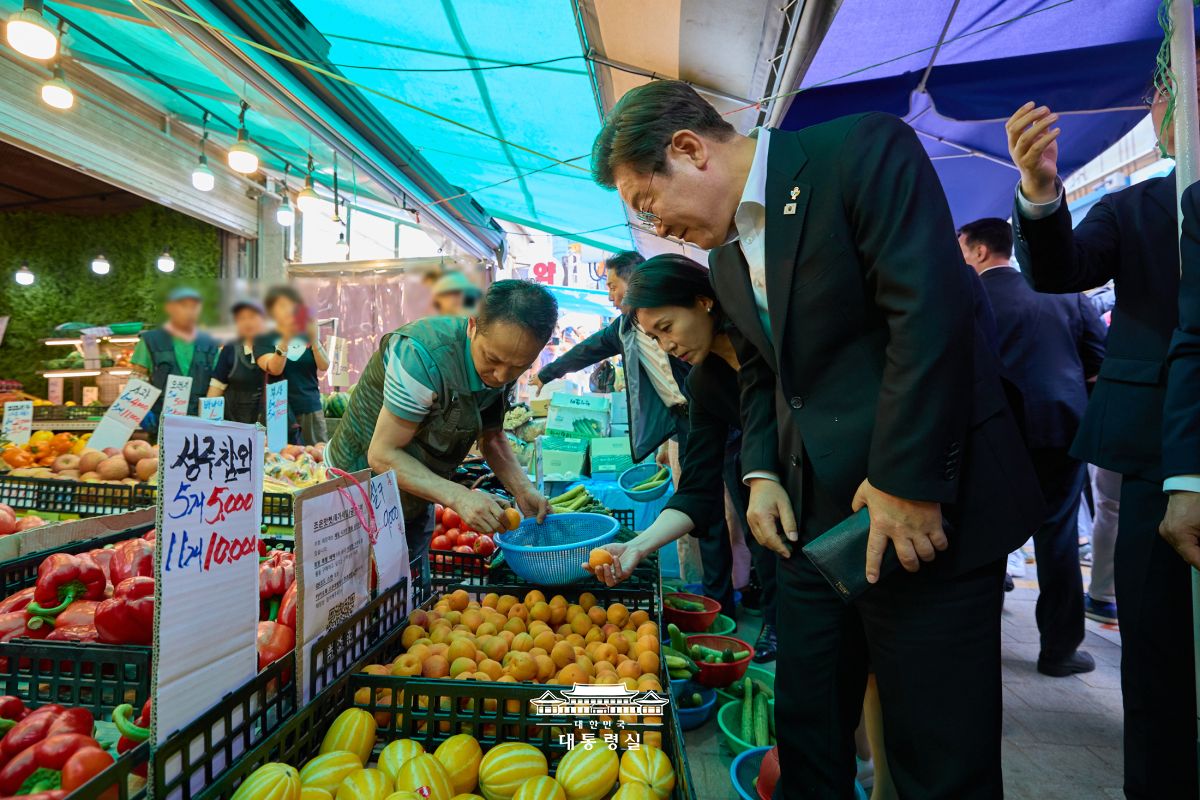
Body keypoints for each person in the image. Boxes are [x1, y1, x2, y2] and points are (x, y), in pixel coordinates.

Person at [593, 79, 1043, 798]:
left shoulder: (858, 152)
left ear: (689, 150)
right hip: (814, 532)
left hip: (925, 515)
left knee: (938, 751)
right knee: (806, 731)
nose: (659, 230)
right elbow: (772, 379)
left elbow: (928, 315)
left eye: (650, 205)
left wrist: (906, 480)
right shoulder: (732, 264)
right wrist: (763, 472)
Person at [1007, 75, 1190, 795]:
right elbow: (1057, 270)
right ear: (1159, 111)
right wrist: (1040, 188)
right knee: (1158, 654)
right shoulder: (1138, 206)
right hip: (1150, 456)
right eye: (1175, 95)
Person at [533, 250, 768, 654]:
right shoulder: (705, 383)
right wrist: (638, 546)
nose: (667, 345)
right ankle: (726, 603)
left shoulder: (768, 343)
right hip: (708, 442)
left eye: (666, 328)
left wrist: (767, 477)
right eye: (656, 338)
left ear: (704, 301)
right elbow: (696, 491)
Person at [325, 280, 557, 594]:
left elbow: (491, 436)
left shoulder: (504, 361)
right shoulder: (420, 357)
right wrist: (458, 496)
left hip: (411, 493)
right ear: (473, 326)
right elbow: (381, 454)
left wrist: (523, 489)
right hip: (355, 494)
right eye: (493, 360)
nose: (502, 376)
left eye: (519, 366)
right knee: (353, 601)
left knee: (407, 601)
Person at [959, 217, 1107, 675]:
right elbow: (1098, 360)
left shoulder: (967, 296)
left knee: (984, 536)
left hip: (996, 435)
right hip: (1062, 431)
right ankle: (1059, 651)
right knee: (1059, 538)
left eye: (961, 247)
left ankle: (974, 647)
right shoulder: (1065, 293)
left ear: (981, 251)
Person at [130, 287, 219, 434]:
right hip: (161, 419)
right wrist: (140, 409)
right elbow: (138, 378)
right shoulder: (150, 340)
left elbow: (217, 382)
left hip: (199, 421)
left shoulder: (211, 343)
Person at [254, 286, 330, 446]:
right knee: (282, 460)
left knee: (316, 457)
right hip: (278, 410)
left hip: (310, 407)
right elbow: (274, 368)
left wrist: (314, 339)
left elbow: (324, 365)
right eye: (282, 305)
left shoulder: (305, 335)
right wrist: (285, 338)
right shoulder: (263, 338)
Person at [207, 299, 266, 424]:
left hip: (269, 425)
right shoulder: (230, 349)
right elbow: (216, 389)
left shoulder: (276, 350)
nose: (247, 322)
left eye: (252, 317)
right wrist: (207, 424)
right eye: (241, 318)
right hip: (233, 426)